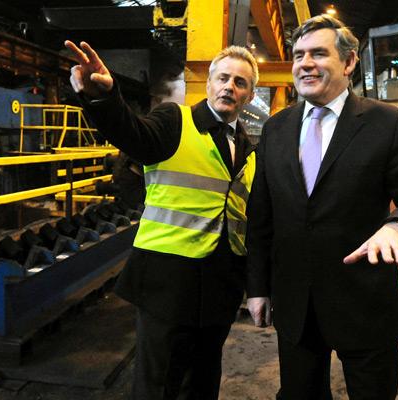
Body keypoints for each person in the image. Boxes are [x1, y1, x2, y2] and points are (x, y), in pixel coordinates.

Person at [245, 15, 398, 400]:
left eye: (319, 53)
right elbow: (261, 217)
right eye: (299, 55)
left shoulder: (384, 122)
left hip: (364, 305)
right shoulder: (276, 128)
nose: (305, 63)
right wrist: (257, 288)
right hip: (296, 306)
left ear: (349, 62)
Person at [65, 40, 258, 400]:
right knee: (159, 382)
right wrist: (105, 98)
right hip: (167, 282)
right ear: (211, 83)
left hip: (220, 284)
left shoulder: (248, 150)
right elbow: (132, 134)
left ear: (248, 95)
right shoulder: (175, 121)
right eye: (223, 78)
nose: (230, 86)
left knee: (203, 379)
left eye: (240, 82)